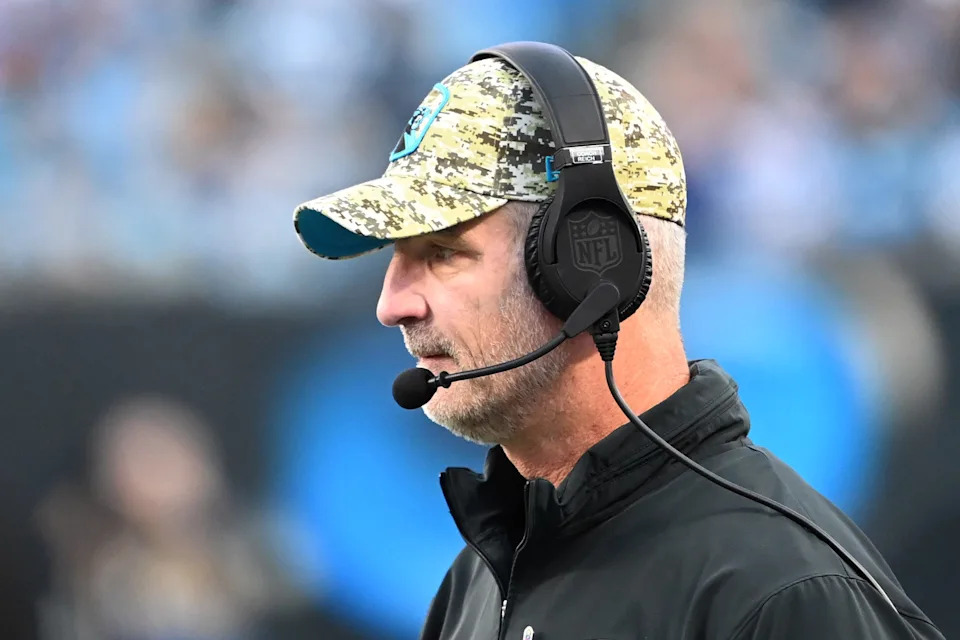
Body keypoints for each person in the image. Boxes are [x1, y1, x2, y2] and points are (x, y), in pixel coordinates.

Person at [290, 43, 945, 640]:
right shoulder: (479, 581)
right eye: (396, 259)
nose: (392, 304)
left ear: (587, 265)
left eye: (443, 253)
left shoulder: (781, 590)